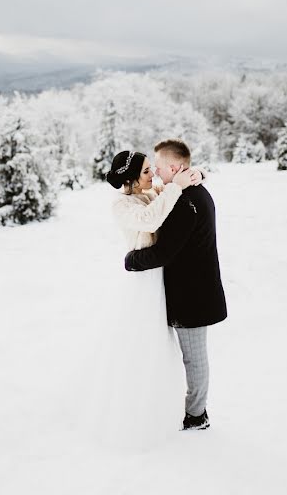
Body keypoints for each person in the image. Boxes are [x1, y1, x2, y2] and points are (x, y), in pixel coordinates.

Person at [80, 150, 202, 449]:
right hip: (143, 285)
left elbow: (175, 185)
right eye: (147, 172)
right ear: (132, 179)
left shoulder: (150, 192)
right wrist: (175, 188)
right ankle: (134, 411)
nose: (153, 176)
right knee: (141, 346)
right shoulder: (123, 205)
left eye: (152, 170)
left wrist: (197, 176)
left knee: (161, 349)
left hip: (159, 280)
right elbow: (150, 221)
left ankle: (161, 405)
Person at [124, 139, 227, 431]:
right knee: (189, 356)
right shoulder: (193, 192)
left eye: (157, 166)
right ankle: (187, 409)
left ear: (174, 166)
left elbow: (164, 252)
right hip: (192, 290)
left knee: (194, 359)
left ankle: (197, 415)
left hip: (192, 296)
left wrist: (131, 260)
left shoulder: (185, 202)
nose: (155, 172)